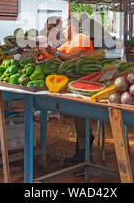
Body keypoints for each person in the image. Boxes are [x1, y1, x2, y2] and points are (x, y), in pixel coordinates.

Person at [43, 17, 96, 164]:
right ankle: (81, 153)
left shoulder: (81, 38)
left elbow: (75, 57)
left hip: (84, 85)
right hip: (73, 86)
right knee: (78, 118)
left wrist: (56, 53)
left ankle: (85, 155)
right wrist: (46, 50)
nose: (63, 31)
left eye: (65, 28)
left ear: (73, 27)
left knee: (81, 117)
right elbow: (57, 56)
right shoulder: (68, 43)